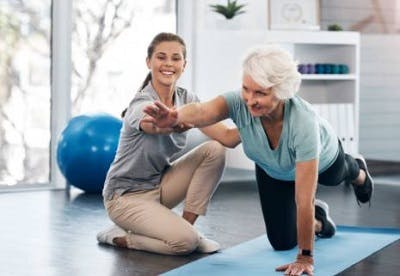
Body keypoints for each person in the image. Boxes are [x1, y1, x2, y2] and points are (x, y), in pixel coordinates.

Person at [143, 45, 374, 275]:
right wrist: (175, 117)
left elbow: (304, 199)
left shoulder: (303, 124)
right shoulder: (239, 103)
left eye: (261, 93)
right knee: (282, 242)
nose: (250, 100)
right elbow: (204, 112)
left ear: (282, 92)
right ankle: (320, 221)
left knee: (338, 175)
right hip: (272, 170)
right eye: (246, 89)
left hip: (325, 161)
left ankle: (359, 171)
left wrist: (305, 257)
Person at [96, 32, 241, 255]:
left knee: (215, 150)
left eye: (176, 58)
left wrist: (261, 119)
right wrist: (169, 124)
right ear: (149, 62)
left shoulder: (188, 99)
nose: (168, 64)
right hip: (124, 198)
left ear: (184, 65)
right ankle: (119, 237)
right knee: (184, 244)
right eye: (161, 57)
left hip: (158, 186)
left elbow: (228, 138)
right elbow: (154, 126)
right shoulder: (141, 102)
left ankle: (187, 228)